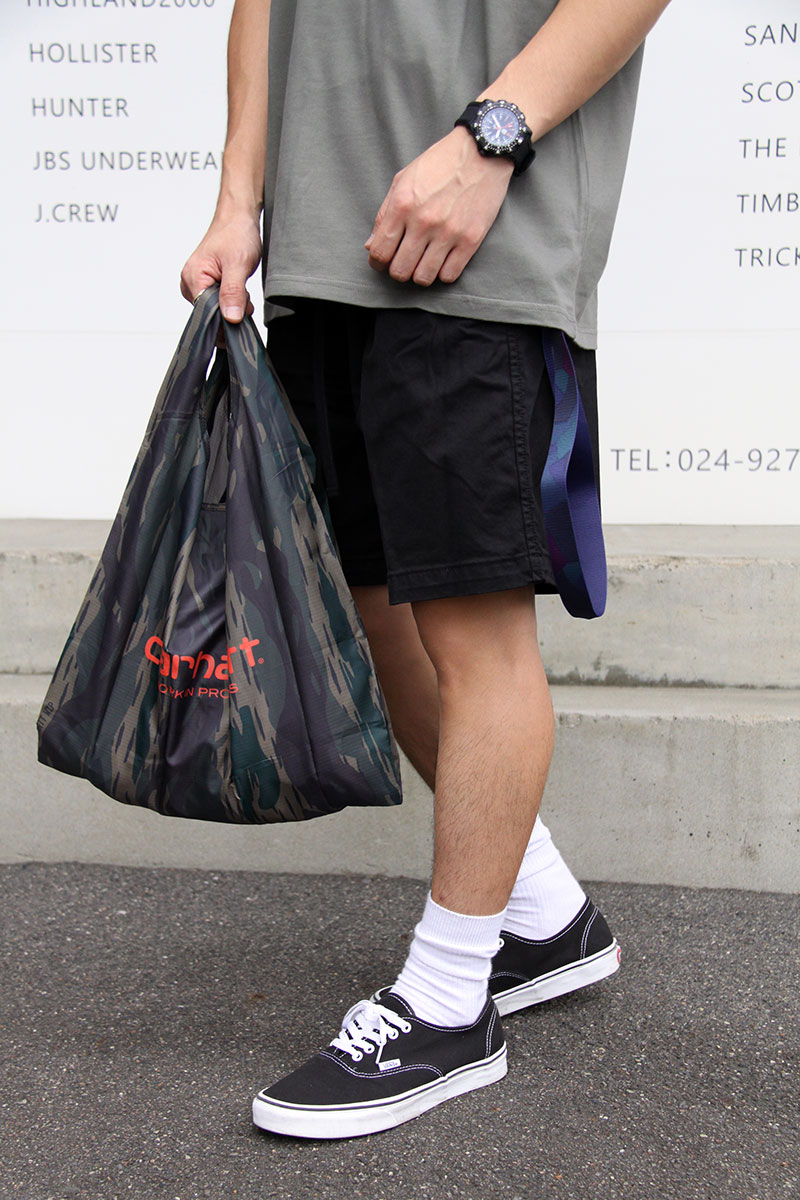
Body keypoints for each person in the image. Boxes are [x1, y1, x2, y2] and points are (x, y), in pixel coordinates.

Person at [181, 0, 671, 1140]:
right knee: (370, 601)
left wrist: (490, 141)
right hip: (320, 247)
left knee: (472, 627)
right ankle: (542, 917)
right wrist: (239, 195)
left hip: (477, 248)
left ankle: (450, 1005)